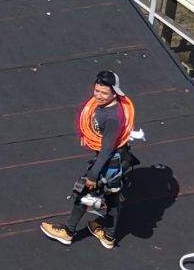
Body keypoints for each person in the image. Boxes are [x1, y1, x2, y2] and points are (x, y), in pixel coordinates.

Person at [50, 71, 139, 249]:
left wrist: (92, 175)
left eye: (104, 93)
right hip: (117, 159)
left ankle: (68, 231)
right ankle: (109, 236)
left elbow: (107, 150)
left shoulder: (113, 118)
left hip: (110, 161)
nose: (98, 95)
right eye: (97, 91)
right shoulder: (103, 106)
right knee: (113, 198)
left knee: (84, 192)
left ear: (115, 93)